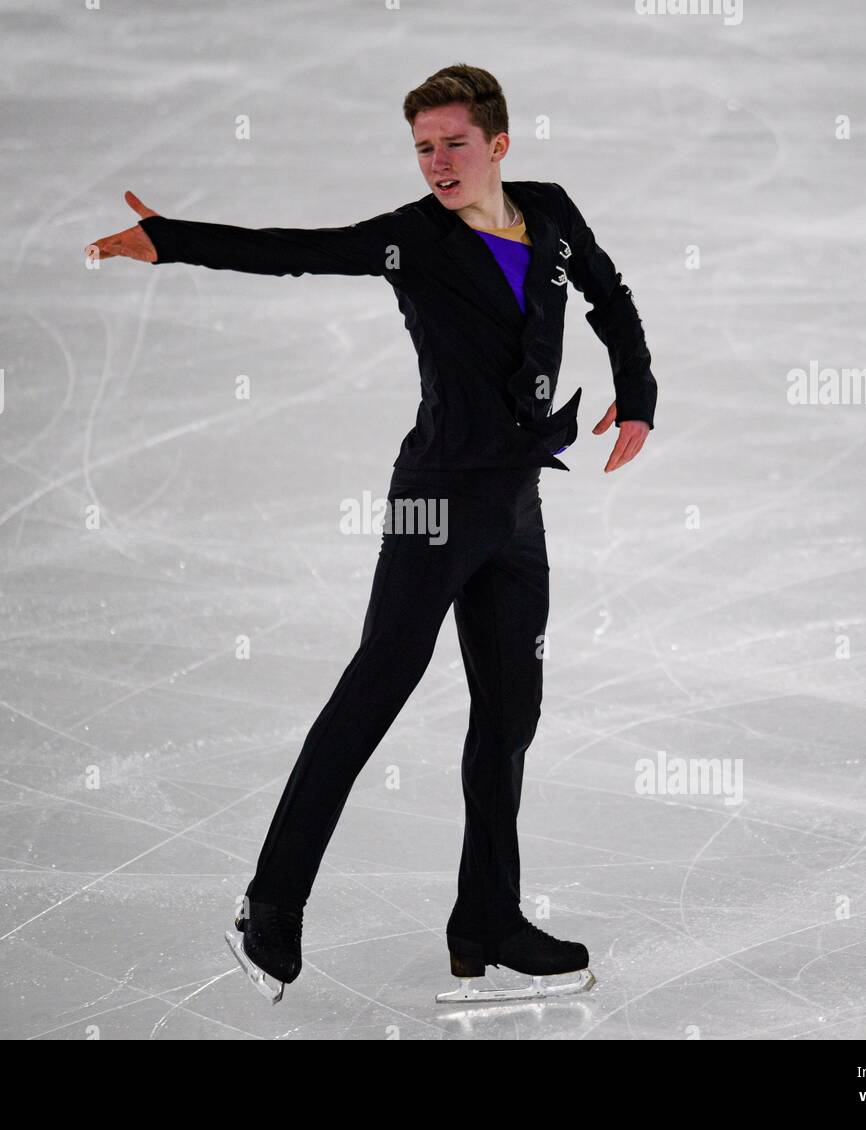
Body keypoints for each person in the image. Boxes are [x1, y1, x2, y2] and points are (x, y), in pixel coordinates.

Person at [87, 63, 656, 1004]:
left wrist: (635, 396)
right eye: (423, 147)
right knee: (374, 691)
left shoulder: (550, 211)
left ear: (499, 145)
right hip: (434, 500)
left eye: (454, 144)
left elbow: (612, 297)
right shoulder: (411, 241)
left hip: (515, 506)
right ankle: (270, 909)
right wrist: (171, 240)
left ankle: (487, 919)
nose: (437, 161)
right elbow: (294, 251)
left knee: (511, 718)